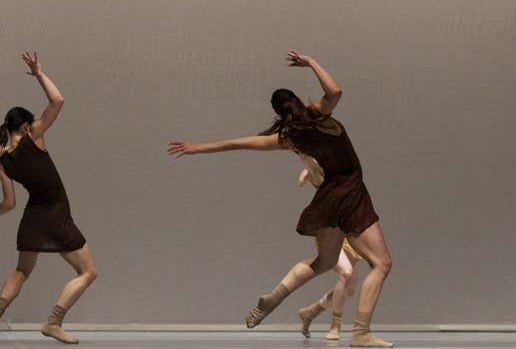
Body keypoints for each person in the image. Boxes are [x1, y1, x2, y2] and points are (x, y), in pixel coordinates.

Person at [168, 50, 393, 348]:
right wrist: (311, 63)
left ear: (278, 115)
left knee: (325, 262)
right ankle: (361, 333)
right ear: (298, 100)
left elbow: (239, 143)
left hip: (327, 199)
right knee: (382, 264)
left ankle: (275, 297)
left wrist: (198, 148)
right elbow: (335, 91)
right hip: (349, 193)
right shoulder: (319, 114)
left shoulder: (288, 138)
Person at [0, 53, 97, 345]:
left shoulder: (3, 164)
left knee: (21, 271)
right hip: (55, 214)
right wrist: (39, 74)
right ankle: (53, 322)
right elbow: (58, 101)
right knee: (88, 271)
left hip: (32, 218)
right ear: (26, 125)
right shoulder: (34, 136)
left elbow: (10, 204)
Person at [296, 152, 362, 341]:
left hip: (349, 230)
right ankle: (335, 327)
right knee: (346, 274)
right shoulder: (317, 166)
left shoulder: (344, 165)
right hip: (330, 232)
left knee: (350, 288)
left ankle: (311, 312)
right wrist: (309, 165)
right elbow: (303, 180)